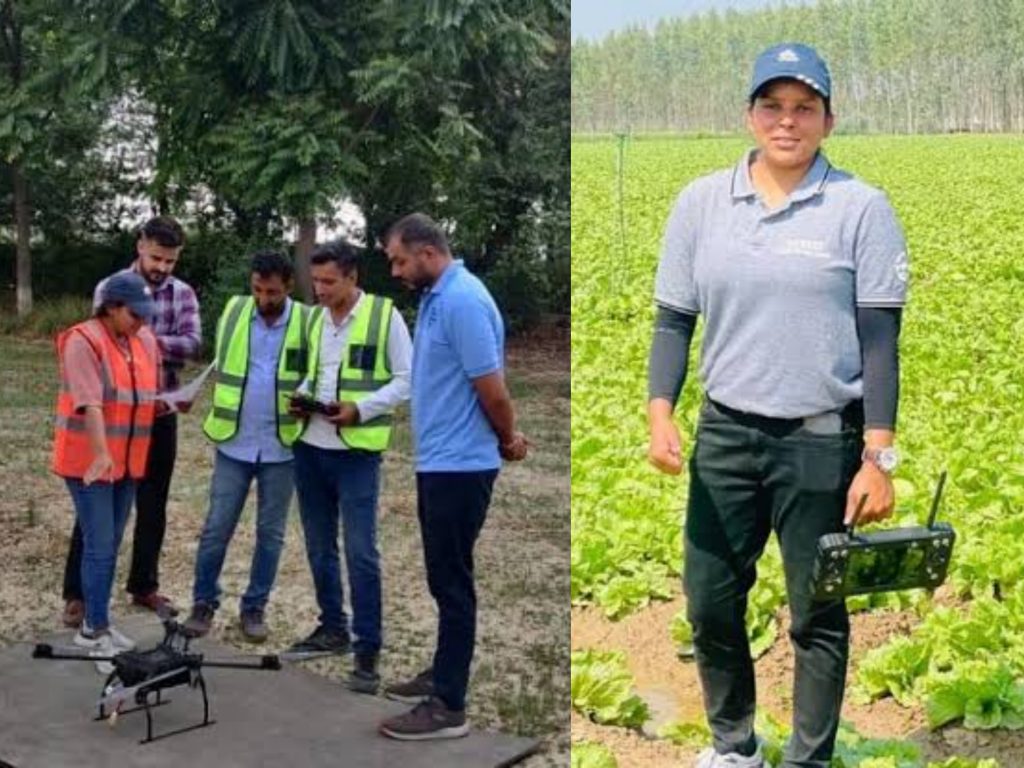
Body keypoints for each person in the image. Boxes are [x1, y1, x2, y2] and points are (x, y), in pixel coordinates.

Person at [646, 44, 908, 768]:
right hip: (725, 436)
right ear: (749, 114)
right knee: (708, 602)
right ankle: (734, 747)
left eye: (804, 108)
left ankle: (809, 759)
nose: (787, 121)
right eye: (772, 105)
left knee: (817, 613)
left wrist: (878, 458)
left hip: (820, 442)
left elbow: (880, 342)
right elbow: (674, 320)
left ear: (828, 119)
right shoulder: (702, 202)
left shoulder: (861, 207)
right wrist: (659, 411)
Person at [378, 213, 529, 741]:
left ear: (426, 252)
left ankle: (449, 707)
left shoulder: (463, 300)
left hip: (461, 466)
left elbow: (492, 390)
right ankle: (441, 675)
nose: (395, 271)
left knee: (453, 582)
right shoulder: (438, 296)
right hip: (440, 461)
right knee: (443, 579)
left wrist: (508, 438)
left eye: (399, 259)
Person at [284, 240, 412, 695]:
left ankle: (367, 650)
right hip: (310, 448)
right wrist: (301, 398)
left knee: (360, 552)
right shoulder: (316, 319)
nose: (318, 290)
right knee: (319, 547)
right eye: (315, 281)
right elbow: (315, 371)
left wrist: (362, 408)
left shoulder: (384, 316)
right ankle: (332, 628)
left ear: (352, 278)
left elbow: (407, 379)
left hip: (356, 454)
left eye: (328, 282)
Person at [62, 216, 201, 626]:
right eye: (157, 257)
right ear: (140, 244)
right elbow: (102, 342)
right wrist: (150, 341)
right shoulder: (111, 287)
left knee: (153, 503)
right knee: (95, 507)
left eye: (171, 261)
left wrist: (140, 338)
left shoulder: (183, 293)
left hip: (160, 413)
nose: (162, 267)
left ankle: (144, 585)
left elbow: (193, 345)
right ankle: (78, 594)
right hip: (112, 418)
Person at [181, 251, 310, 642]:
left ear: (288, 286)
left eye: (271, 292)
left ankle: (254, 608)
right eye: (257, 289)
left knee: (270, 535)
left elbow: (319, 371)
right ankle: (203, 603)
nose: (263, 298)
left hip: (282, 447)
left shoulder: (308, 321)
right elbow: (223, 364)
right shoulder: (236, 311)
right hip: (234, 443)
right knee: (216, 529)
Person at [52, 272, 161, 671]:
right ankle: (93, 631)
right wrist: (100, 454)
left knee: (111, 544)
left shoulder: (140, 340)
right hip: (89, 462)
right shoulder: (83, 340)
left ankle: (101, 621)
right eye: (135, 314)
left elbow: (138, 396)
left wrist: (168, 401)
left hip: (127, 463)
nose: (142, 322)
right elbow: (90, 403)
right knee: (98, 545)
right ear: (112, 308)